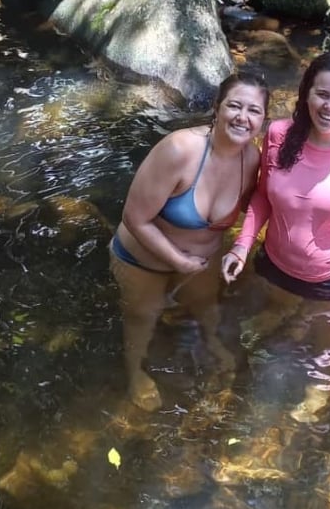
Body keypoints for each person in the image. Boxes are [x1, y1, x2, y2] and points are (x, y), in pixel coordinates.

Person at [110, 69, 270, 411]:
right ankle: (135, 373)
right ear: (217, 106)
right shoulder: (179, 150)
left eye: (254, 111)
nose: (243, 117)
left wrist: (242, 246)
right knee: (143, 316)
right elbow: (134, 217)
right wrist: (178, 262)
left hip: (201, 262)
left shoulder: (252, 158)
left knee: (208, 310)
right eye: (234, 106)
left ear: (263, 120)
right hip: (143, 259)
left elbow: (261, 204)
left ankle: (214, 345)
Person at [221, 51, 330, 325]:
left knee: (323, 365)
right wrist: (242, 245)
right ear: (307, 93)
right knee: (247, 334)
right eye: (322, 94)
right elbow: (263, 195)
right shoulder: (278, 134)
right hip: (274, 266)